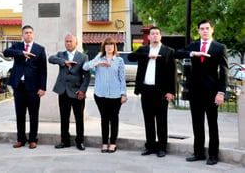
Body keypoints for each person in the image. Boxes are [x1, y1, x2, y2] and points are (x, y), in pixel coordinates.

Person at [175, 20, 228, 165]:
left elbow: (224, 72)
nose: (204, 31)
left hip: (212, 92)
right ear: (198, 31)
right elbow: (177, 53)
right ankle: (198, 153)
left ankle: (213, 155)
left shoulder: (219, 47)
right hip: (195, 91)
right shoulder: (194, 45)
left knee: (212, 124)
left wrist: (221, 92)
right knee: (197, 124)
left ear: (212, 30)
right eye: (202, 29)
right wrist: (192, 53)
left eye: (207, 28)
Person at [128, 26, 177, 158]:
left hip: (161, 92)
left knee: (161, 120)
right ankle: (149, 146)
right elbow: (131, 57)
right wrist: (147, 55)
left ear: (160, 36)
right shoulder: (143, 50)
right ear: (148, 37)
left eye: (157, 34)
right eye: (152, 34)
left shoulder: (168, 51)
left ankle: (162, 147)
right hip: (146, 90)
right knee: (148, 120)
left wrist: (171, 91)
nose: (155, 36)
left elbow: (173, 74)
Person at [3, 25, 47, 149]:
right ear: (22, 35)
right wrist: (22, 53)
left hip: (33, 87)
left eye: (30, 32)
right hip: (19, 86)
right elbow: (6, 52)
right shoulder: (17, 46)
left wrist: (42, 87)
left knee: (33, 114)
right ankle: (20, 139)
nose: (28, 34)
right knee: (20, 114)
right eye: (26, 32)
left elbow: (43, 70)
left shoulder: (40, 49)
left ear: (33, 34)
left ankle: (33, 139)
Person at [83, 37, 127, 153]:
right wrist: (97, 62)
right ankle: (104, 143)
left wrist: (124, 94)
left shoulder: (119, 61)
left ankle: (112, 143)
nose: (109, 47)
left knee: (114, 119)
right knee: (104, 119)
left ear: (114, 47)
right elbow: (85, 66)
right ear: (104, 47)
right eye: (107, 45)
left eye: (111, 45)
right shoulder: (99, 57)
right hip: (100, 94)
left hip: (115, 95)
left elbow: (122, 78)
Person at [48, 34, 90, 151]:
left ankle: (80, 141)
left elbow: (87, 76)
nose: (68, 43)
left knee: (79, 118)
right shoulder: (61, 55)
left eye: (70, 41)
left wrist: (82, 90)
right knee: (64, 118)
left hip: (77, 92)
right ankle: (64, 140)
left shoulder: (83, 57)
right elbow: (50, 59)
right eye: (66, 41)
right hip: (63, 91)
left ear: (76, 43)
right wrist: (63, 62)